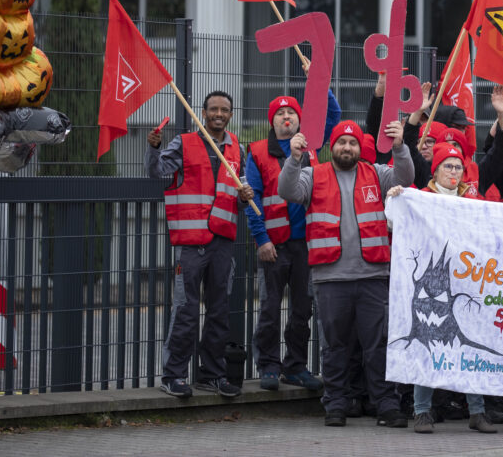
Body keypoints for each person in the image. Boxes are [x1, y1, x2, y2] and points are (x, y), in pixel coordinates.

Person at [278, 119, 415, 427]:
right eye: (342, 142)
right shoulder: (313, 175)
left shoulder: (377, 174)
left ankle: (386, 404)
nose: (347, 148)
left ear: (358, 148)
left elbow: (405, 177)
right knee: (336, 346)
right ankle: (336, 404)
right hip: (331, 279)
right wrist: (294, 156)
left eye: (353, 143)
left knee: (377, 345)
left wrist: (399, 146)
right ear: (332, 146)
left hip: (373, 276)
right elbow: (286, 190)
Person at [147, 90, 255, 398]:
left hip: (222, 241)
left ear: (231, 115)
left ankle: (212, 374)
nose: (219, 114)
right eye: (213, 109)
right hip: (192, 243)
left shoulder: (237, 148)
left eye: (225, 110)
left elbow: (241, 189)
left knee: (219, 311)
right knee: (186, 310)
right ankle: (174, 375)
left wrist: (246, 198)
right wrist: (153, 150)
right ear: (203, 113)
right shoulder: (183, 143)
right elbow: (157, 172)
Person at [245, 91, 340, 393]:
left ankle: (296, 366)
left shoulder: (310, 145)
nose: (287, 118)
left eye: (292, 114)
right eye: (280, 115)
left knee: (303, 308)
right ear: (271, 122)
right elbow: (252, 199)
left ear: (300, 120)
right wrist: (261, 239)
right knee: (270, 309)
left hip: (305, 244)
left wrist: (321, 86)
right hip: (272, 245)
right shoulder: (258, 152)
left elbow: (333, 117)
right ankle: (269, 366)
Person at [406, 142, 498, 435]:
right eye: (448, 166)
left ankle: (477, 411)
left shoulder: (473, 200)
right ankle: (422, 411)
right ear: (436, 170)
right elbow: (397, 221)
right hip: (431, 287)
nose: (454, 172)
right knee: (427, 343)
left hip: (465, 283)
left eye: (458, 167)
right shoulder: (420, 198)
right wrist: (396, 197)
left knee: (468, 344)